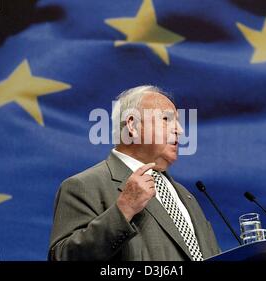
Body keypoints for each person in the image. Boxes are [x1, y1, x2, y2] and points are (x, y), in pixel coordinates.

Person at [48, 85, 220, 261]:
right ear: (133, 125)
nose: (180, 130)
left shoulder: (185, 195)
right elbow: (63, 257)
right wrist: (123, 210)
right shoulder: (83, 186)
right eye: (167, 119)